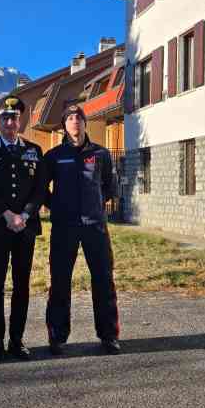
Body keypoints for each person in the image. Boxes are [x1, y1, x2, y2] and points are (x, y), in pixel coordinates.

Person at [43, 104, 120, 356]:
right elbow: (41, 188)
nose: (75, 122)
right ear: (64, 125)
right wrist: (56, 205)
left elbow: (110, 185)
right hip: (64, 227)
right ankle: (57, 337)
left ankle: (109, 336)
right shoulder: (54, 155)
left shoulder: (101, 154)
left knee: (103, 281)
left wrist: (96, 204)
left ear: (85, 124)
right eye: (70, 118)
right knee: (60, 282)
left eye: (79, 118)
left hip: (94, 227)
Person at [0, 95, 46, 361]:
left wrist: (25, 215)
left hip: (25, 228)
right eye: (5, 118)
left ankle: (17, 339)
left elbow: (40, 189)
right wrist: (6, 214)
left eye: (14, 117)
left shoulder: (34, 151)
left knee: (22, 285)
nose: (10, 122)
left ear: (20, 120)